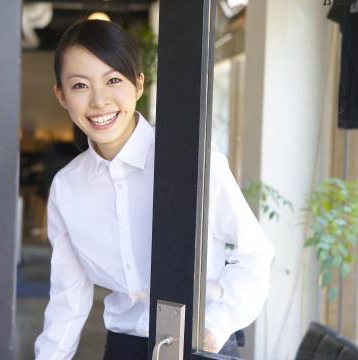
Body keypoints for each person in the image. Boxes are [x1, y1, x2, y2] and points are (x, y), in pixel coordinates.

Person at [34, 19, 275, 360]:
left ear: (139, 84)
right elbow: (68, 298)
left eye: (113, 80)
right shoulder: (68, 189)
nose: (99, 101)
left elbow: (254, 254)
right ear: (61, 95)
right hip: (124, 348)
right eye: (80, 86)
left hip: (200, 342)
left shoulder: (190, 161)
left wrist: (215, 326)